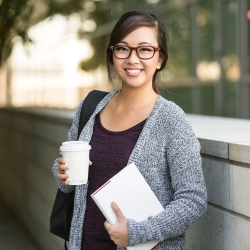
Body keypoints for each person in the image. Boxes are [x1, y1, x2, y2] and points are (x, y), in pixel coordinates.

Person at [52, 11, 207, 250]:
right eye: (123, 48)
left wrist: (136, 233)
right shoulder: (91, 107)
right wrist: (62, 172)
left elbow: (193, 200)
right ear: (113, 54)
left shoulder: (171, 120)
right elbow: (66, 171)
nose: (132, 59)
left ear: (160, 59)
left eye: (144, 49)